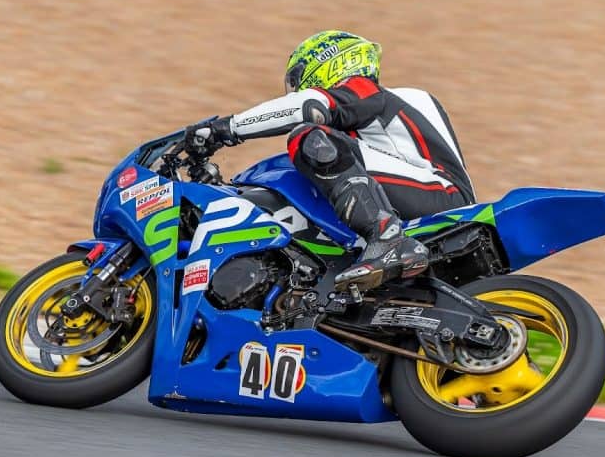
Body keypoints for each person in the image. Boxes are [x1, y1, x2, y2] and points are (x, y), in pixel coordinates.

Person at [189, 30, 474, 289]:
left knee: (309, 138)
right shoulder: (382, 117)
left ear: (330, 63)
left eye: (298, 79)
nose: (296, 89)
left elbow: (307, 107)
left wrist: (224, 129)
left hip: (441, 195)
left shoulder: (366, 91)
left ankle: (386, 238)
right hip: (431, 199)